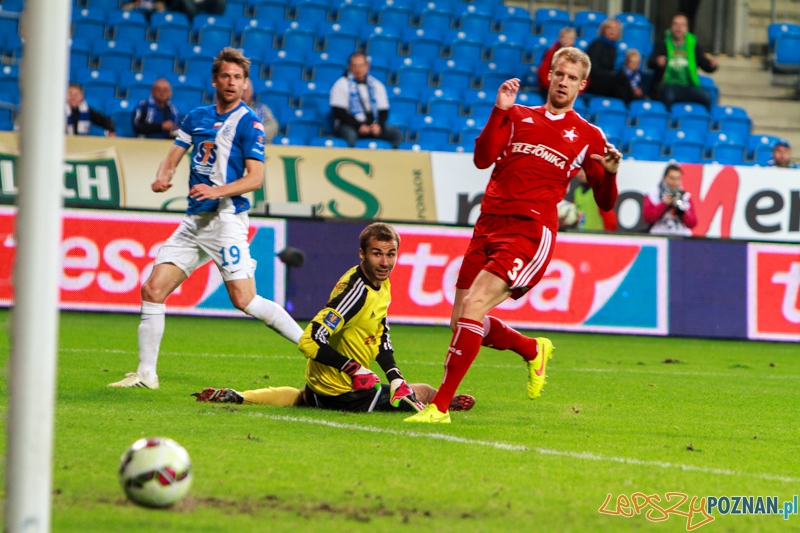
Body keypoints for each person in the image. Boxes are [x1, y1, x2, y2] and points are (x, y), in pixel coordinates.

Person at [405, 48, 621, 424]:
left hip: (530, 230)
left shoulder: (588, 135)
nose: (563, 82)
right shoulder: (518, 115)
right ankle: (531, 348)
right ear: (549, 76)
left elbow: (604, 201)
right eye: (559, 74)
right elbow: (483, 158)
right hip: (488, 224)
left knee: (473, 308)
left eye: (572, 77)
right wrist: (500, 109)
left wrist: (612, 174)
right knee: (461, 323)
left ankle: (439, 407)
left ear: (582, 85)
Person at [109, 48, 303, 390]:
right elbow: (172, 157)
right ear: (215, 80)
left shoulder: (249, 123)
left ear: (245, 84)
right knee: (153, 289)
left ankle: (312, 346)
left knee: (244, 300)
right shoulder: (196, 117)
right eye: (226, 76)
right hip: (194, 222)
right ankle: (146, 376)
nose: (232, 83)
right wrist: (163, 176)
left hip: (226, 219)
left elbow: (255, 178)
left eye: (238, 78)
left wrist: (217, 191)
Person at [192, 223, 476, 414]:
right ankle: (446, 401)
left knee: (302, 398)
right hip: (346, 392)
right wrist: (354, 369)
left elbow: (381, 335)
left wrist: (394, 374)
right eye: (377, 254)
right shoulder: (356, 292)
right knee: (424, 391)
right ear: (362, 254)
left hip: (319, 387)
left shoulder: (381, 284)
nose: (385, 262)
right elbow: (310, 340)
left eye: (391, 254)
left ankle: (241, 396)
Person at [330, 52, 404, 149]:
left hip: (372, 124)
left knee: (396, 135)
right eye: (354, 66)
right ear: (349, 67)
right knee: (350, 135)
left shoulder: (376, 85)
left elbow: (383, 110)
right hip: (349, 124)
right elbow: (339, 112)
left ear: (367, 66)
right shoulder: (341, 84)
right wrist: (358, 126)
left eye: (361, 65)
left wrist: (379, 126)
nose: (358, 69)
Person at [648, 13, 718, 110]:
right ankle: (669, 123)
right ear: (671, 27)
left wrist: (712, 65)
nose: (678, 28)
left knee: (706, 98)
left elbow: (703, 63)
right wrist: (657, 61)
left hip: (688, 86)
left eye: (682, 25)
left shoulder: (693, 44)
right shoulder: (662, 43)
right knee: (668, 97)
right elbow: (650, 63)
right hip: (668, 85)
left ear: (687, 28)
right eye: (675, 24)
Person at [585, 19, 635, 103]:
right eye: (609, 28)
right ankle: (632, 105)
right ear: (604, 30)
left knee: (621, 82)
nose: (612, 30)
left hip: (609, 81)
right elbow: (593, 69)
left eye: (615, 28)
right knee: (621, 79)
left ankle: (627, 108)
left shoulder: (614, 48)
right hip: (595, 81)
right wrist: (612, 74)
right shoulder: (596, 45)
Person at [642, 164, 698, 236]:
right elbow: (647, 218)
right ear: (665, 177)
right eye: (672, 178)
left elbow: (692, 223)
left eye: (677, 178)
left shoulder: (685, 196)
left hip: (681, 237)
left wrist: (681, 209)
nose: (674, 181)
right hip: (659, 236)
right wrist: (664, 204)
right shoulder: (653, 193)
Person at [537, 27, 577, 94]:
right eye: (563, 37)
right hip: (549, 89)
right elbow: (543, 72)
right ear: (559, 38)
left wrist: (575, 90)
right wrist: (554, 87)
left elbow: (583, 76)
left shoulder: (578, 56)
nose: (566, 40)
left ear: (574, 40)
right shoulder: (551, 52)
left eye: (569, 38)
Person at [242, 80, 279, 144]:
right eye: (240, 91)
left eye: (245, 91)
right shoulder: (228, 109)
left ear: (251, 92)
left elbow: (273, 126)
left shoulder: (261, 109)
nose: (242, 94)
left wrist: (255, 134)